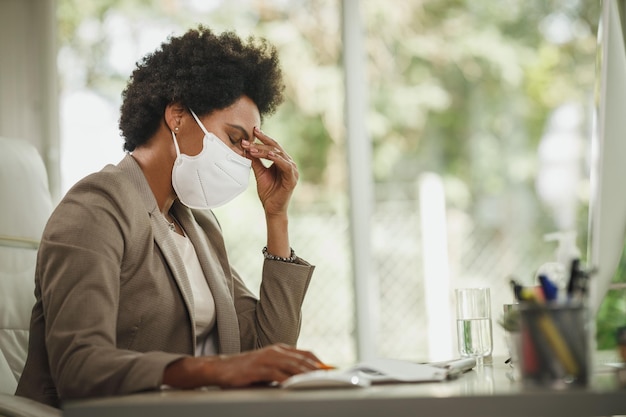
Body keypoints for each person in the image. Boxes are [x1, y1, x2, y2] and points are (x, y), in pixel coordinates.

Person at [16, 25, 323, 408]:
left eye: (249, 147)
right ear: (177, 115)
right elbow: (79, 367)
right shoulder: (96, 206)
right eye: (233, 139)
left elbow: (268, 351)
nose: (245, 158)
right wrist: (213, 371)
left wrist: (277, 217)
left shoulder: (199, 226)